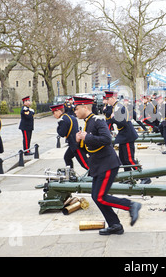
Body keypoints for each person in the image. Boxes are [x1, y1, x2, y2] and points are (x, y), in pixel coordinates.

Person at [74, 96, 141, 235]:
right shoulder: (87, 123)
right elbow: (90, 147)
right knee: (96, 196)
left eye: (76, 108)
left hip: (107, 164)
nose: (74, 112)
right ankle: (115, 224)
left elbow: (107, 139)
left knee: (100, 196)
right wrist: (80, 140)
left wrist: (87, 137)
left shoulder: (98, 121)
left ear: (84, 107)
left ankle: (131, 205)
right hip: (99, 165)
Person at [105, 92, 139, 172]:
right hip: (123, 136)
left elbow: (123, 122)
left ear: (113, 98)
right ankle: (128, 178)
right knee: (123, 159)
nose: (107, 101)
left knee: (129, 159)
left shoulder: (119, 107)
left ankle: (145, 177)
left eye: (108, 99)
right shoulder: (115, 107)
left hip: (127, 136)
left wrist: (113, 118)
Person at [50, 103, 89, 171]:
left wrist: (58, 126)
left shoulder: (62, 120)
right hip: (74, 142)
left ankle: (95, 174)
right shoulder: (70, 117)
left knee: (84, 163)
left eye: (54, 112)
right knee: (67, 157)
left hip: (75, 144)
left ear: (59, 111)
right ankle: (70, 173)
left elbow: (62, 133)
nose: (53, 114)